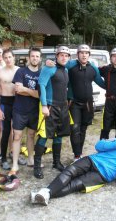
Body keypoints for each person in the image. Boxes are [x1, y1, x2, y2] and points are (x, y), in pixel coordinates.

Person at [31, 131, 116, 206]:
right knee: (70, 171)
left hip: (102, 175)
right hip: (92, 161)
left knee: (75, 185)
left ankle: (43, 194)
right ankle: (45, 193)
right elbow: (98, 146)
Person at [45, 44, 105, 160]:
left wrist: (113, 90)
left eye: (86, 53)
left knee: (83, 129)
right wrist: (49, 62)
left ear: (89, 55)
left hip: (88, 104)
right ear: (77, 54)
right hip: (74, 103)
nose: (84, 55)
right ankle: (77, 156)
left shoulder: (93, 67)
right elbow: (58, 65)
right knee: (75, 129)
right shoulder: (70, 65)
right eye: (81, 52)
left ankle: (79, 153)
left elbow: (100, 82)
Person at [34, 46, 71, 179]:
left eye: (66, 56)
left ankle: (56, 162)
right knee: (44, 136)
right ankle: (37, 166)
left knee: (59, 135)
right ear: (57, 56)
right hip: (49, 106)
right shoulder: (49, 68)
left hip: (62, 107)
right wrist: (44, 105)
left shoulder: (66, 69)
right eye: (61, 55)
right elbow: (41, 85)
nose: (64, 57)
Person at [10, 47, 41, 174]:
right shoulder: (20, 72)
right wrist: (33, 92)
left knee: (31, 136)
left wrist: (26, 90)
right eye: (33, 56)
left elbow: (40, 95)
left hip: (34, 111)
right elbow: (17, 90)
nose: (35, 58)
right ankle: (15, 164)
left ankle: (30, 160)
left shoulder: (42, 74)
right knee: (17, 136)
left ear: (40, 59)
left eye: (37, 56)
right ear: (29, 58)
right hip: (19, 110)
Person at [0, 49, 19, 170]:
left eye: (10, 57)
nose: (8, 59)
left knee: (17, 131)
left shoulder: (19, 71)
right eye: (6, 57)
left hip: (18, 103)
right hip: (5, 103)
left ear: (14, 57)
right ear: (3, 59)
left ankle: (15, 154)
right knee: (6, 131)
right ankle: (3, 157)